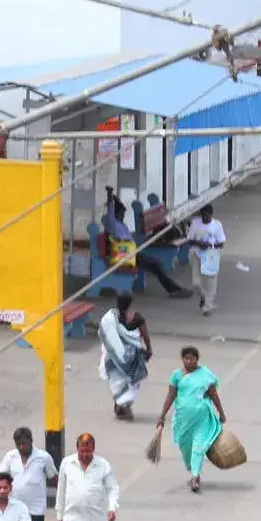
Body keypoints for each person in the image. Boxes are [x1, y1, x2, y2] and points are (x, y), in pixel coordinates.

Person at [156, 346, 227, 494]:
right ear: (182, 360)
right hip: (183, 420)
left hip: (201, 418)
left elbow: (213, 394)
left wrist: (221, 412)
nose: (189, 361)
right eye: (186, 359)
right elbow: (170, 396)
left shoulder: (205, 375)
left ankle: (195, 477)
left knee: (199, 447)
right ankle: (194, 471)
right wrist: (162, 415)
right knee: (186, 447)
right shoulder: (176, 376)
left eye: (192, 359)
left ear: (197, 359)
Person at [101, 193, 191, 298]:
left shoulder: (122, 225)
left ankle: (175, 289)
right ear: (116, 214)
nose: (123, 216)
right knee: (156, 265)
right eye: (121, 213)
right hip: (123, 255)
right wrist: (110, 198)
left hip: (132, 252)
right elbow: (110, 214)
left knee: (157, 265)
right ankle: (174, 290)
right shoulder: (111, 224)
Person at [99, 291, 151, 420]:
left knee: (117, 382)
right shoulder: (137, 317)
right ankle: (125, 406)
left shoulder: (109, 318)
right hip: (132, 358)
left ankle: (120, 405)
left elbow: (105, 334)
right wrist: (149, 349)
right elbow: (145, 335)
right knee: (131, 382)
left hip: (113, 358)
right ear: (130, 303)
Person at [187, 204, 226, 316]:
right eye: (203, 216)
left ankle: (207, 306)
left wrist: (210, 245)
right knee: (196, 282)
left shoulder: (217, 225)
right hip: (197, 254)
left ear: (211, 215)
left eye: (207, 216)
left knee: (211, 281)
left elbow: (221, 243)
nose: (205, 219)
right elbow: (190, 239)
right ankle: (203, 295)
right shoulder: (195, 223)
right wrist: (198, 243)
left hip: (211, 255)